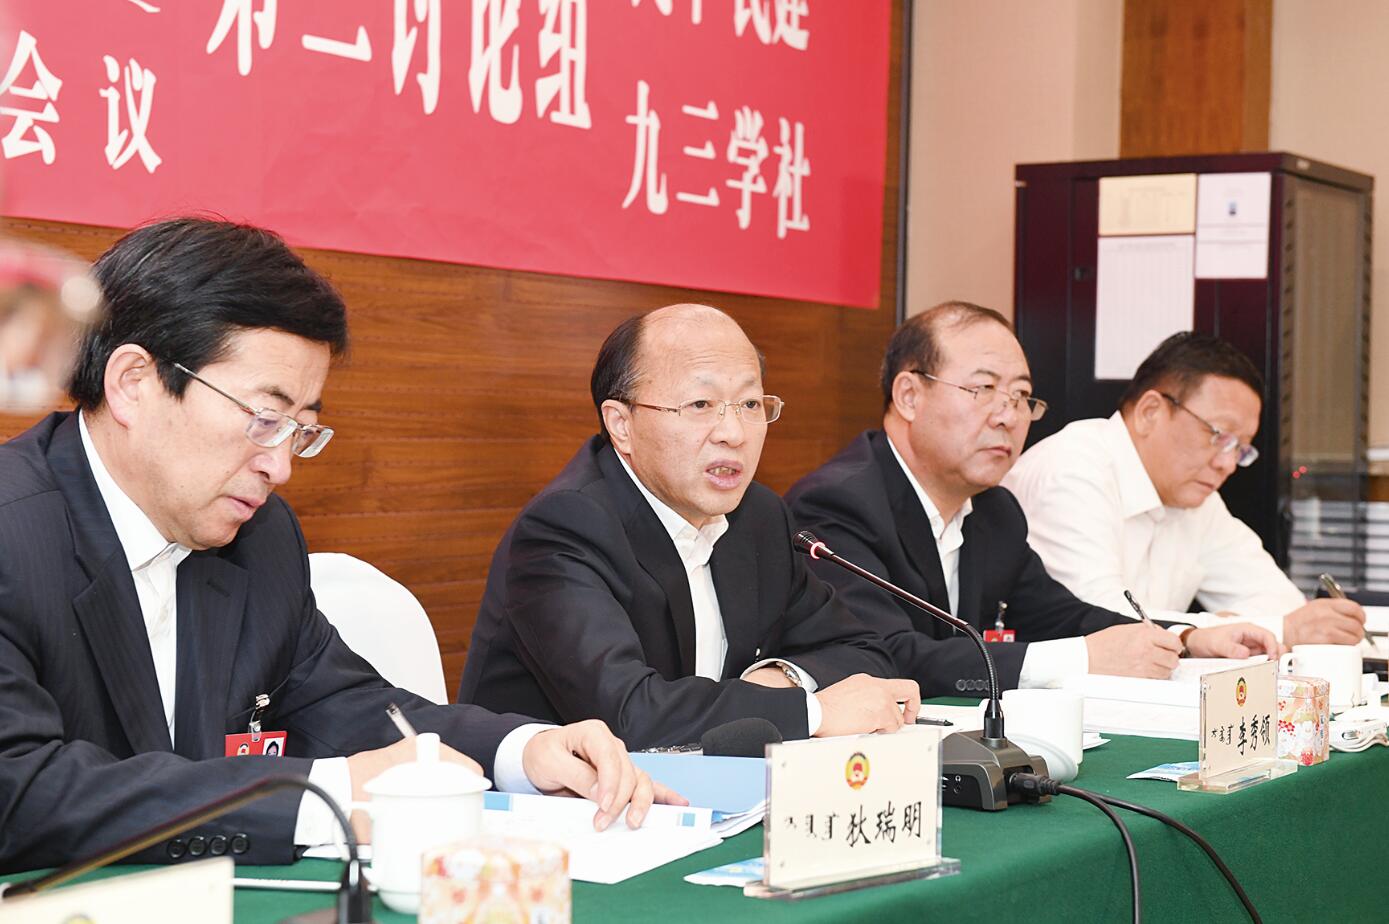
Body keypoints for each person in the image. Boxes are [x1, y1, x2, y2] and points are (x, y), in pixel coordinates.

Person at [0, 218, 676, 875]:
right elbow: (21, 792)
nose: (280, 467)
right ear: (134, 384)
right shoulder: (12, 533)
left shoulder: (260, 539)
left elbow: (345, 706)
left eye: (300, 430)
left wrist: (523, 751)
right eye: (265, 419)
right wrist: (321, 797)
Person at [459, 304, 919, 749]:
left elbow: (864, 651)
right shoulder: (567, 526)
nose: (733, 433)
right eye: (700, 404)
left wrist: (783, 679)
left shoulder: (758, 516)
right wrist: (811, 711)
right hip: (556, 796)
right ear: (621, 424)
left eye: (749, 403)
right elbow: (628, 715)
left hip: (708, 785)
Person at [786, 303, 1279, 697]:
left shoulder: (994, 511)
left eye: (1021, 396)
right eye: (983, 389)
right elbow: (885, 656)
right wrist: (1082, 657)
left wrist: (1184, 639)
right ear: (909, 396)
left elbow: (1064, 617)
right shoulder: (837, 505)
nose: (1008, 416)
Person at [1005, 331, 1365, 645]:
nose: (1227, 464)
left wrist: (1247, 626)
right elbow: (1102, 622)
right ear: (1150, 412)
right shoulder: (1072, 470)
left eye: (1240, 449)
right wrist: (1242, 629)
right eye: (1219, 436)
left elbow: (1282, 603)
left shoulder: (1194, 497)